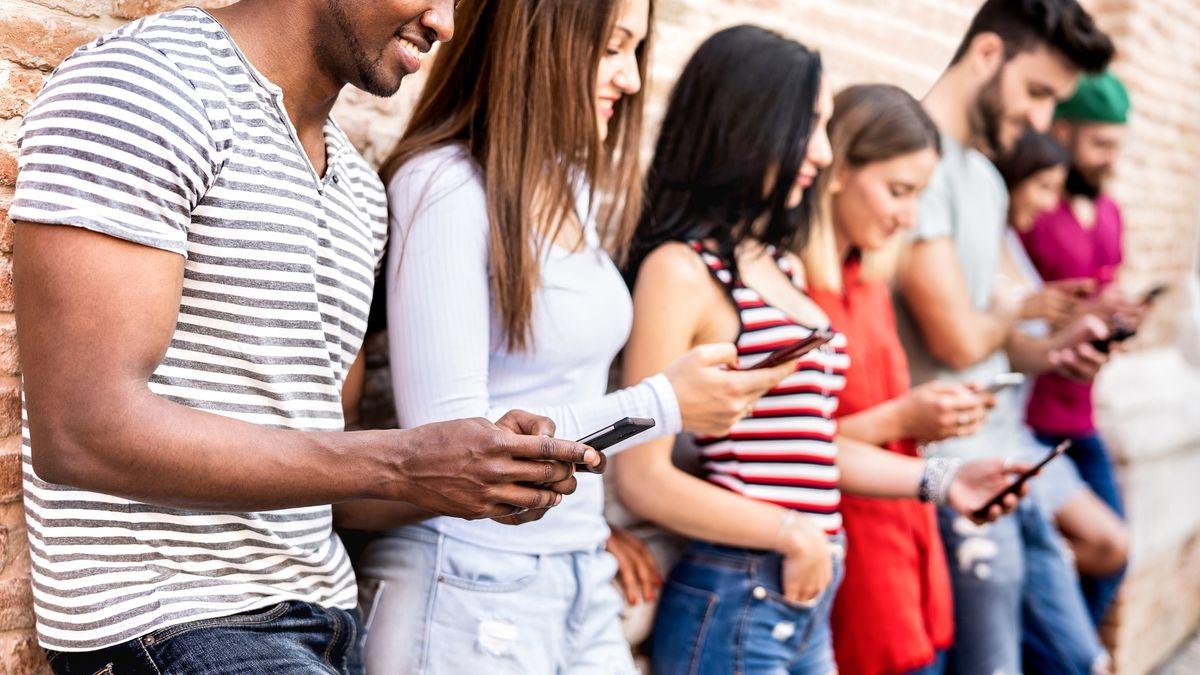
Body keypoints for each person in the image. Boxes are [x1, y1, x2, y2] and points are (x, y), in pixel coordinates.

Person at [11, 2, 602, 673]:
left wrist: (477, 472)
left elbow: (327, 473)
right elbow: (81, 431)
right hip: (171, 623)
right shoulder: (151, 85)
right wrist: (405, 461)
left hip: (329, 623)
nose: (446, 24)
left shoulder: (359, 193)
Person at [354, 2, 795, 673]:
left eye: (635, 52)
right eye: (613, 48)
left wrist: (589, 522)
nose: (631, 78)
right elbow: (449, 446)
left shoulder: (574, 189)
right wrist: (661, 405)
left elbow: (554, 389)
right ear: (539, 41)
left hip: (576, 573)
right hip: (466, 581)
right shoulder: (447, 185)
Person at [617, 28, 1023, 675]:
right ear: (752, 123)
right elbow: (641, 474)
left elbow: (810, 445)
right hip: (738, 592)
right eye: (810, 125)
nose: (823, 150)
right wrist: (791, 531)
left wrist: (943, 481)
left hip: (804, 593)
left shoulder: (778, 265)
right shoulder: (680, 269)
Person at [892, 0, 1120, 672]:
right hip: (952, 474)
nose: (1043, 121)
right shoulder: (910, 161)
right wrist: (1016, 309)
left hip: (1010, 458)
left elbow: (999, 336)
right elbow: (961, 336)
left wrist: (1057, 348)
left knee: (1079, 656)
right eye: (1038, 92)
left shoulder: (988, 180)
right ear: (987, 55)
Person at [799, 83, 966, 675]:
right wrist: (904, 417)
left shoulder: (869, 286)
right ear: (840, 168)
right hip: (852, 568)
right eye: (899, 191)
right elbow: (789, 443)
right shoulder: (792, 293)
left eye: (919, 195)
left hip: (913, 548)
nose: (908, 216)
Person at [1020, 72, 1140, 626]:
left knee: (1114, 555)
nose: (1110, 159)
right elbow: (1014, 307)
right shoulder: (1032, 212)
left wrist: (1118, 314)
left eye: (1117, 144)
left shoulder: (1111, 213)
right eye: (1100, 144)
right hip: (1031, 412)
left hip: (1081, 414)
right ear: (1063, 132)